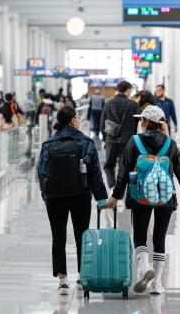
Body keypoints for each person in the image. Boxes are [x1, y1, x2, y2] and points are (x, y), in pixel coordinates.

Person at [107, 105, 180, 295]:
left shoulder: (135, 141)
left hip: (140, 196)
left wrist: (116, 195)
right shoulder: (169, 144)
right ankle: (156, 285)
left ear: (147, 122)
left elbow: (123, 172)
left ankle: (144, 266)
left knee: (139, 235)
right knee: (159, 237)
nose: (140, 122)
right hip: (165, 196)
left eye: (141, 120)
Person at [38, 106, 108, 295]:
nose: (78, 119)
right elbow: (95, 174)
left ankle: (62, 281)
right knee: (82, 236)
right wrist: (101, 199)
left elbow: (42, 172)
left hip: (55, 198)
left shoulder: (48, 144)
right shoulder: (85, 142)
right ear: (72, 121)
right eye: (77, 117)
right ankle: (82, 276)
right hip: (80, 196)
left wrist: (46, 196)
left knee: (58, 238)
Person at [100, 80, 140, 188]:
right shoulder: (133, 105)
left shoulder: (109, 103)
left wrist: (104, 139)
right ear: (127, 90)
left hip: (111, 139)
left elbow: (103, 121)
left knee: (109, 165)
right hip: (127, 141)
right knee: (124, 166)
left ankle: (112, 187)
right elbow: (139, 123)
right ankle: (119, 190)